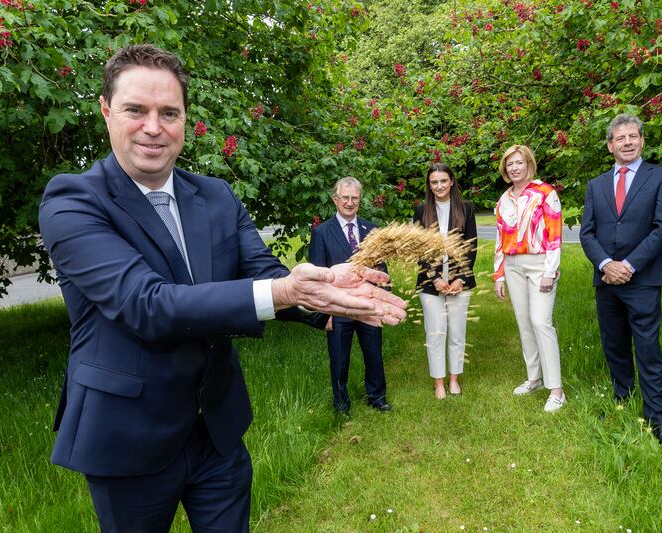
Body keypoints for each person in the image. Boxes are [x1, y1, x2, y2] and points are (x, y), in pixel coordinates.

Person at [37, 44, 406, 532]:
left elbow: (263, 272)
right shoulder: (73, 199)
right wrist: (287, 293)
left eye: (169, 113)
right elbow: (146, 304)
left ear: (185, 120)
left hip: (218, 429)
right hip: (127, 435)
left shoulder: (215, 195)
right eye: (135, 110)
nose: (153, 127)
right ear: (106, 111)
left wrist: (326, 292)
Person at [579, 113, 662, 446]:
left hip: (643, 278)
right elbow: (587, 232)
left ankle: (657, 417)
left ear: (642, 141)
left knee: (647, 348)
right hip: (606, 280)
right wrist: (607, 264)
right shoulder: (596, 185)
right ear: (610, 146)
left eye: (633, 136)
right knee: (615, 345)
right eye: (620, 138)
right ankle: (623, 399)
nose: (627, 142)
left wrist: (630, 265)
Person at [309, 177, 391, 414]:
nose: (349, 202)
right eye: (345, 197)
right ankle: (341, 403)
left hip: (367, 305)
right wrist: (324, 313)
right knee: (339, 358)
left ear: (360, 200)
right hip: (337, 308)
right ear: (335, 199)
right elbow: (317, 277)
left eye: (354, 198)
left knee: (374, 354)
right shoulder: (321, 233)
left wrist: (382, 301)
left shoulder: (372, 230)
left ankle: (377, 397)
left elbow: (381, 268)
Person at [493, 145, 566, 412]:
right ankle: (534, 378)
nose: (514, 168)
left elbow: (555, 235)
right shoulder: (503, 200)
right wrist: (499, 274)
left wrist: (550, 271)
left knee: (540, 322)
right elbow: (500, 239)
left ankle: (556, 390)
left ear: (529, 165)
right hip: (513, 266)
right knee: (524, 323)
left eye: (519, 163)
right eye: (509, 164)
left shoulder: (545, 193)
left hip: (539, 265)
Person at [413, 163, 477, 399]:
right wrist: (435, 278)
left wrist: (461, 278)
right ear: (429, 186)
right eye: (434, 182)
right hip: (430, 284)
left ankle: (454, 379)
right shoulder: (421, 211)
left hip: (460, 282)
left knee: (457, 333)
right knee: (436, 332)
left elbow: (471, 246)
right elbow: (417, 249)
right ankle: (439, 382)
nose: (439, 186)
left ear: (451, 182)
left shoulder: (466, 209)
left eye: (443, 181)